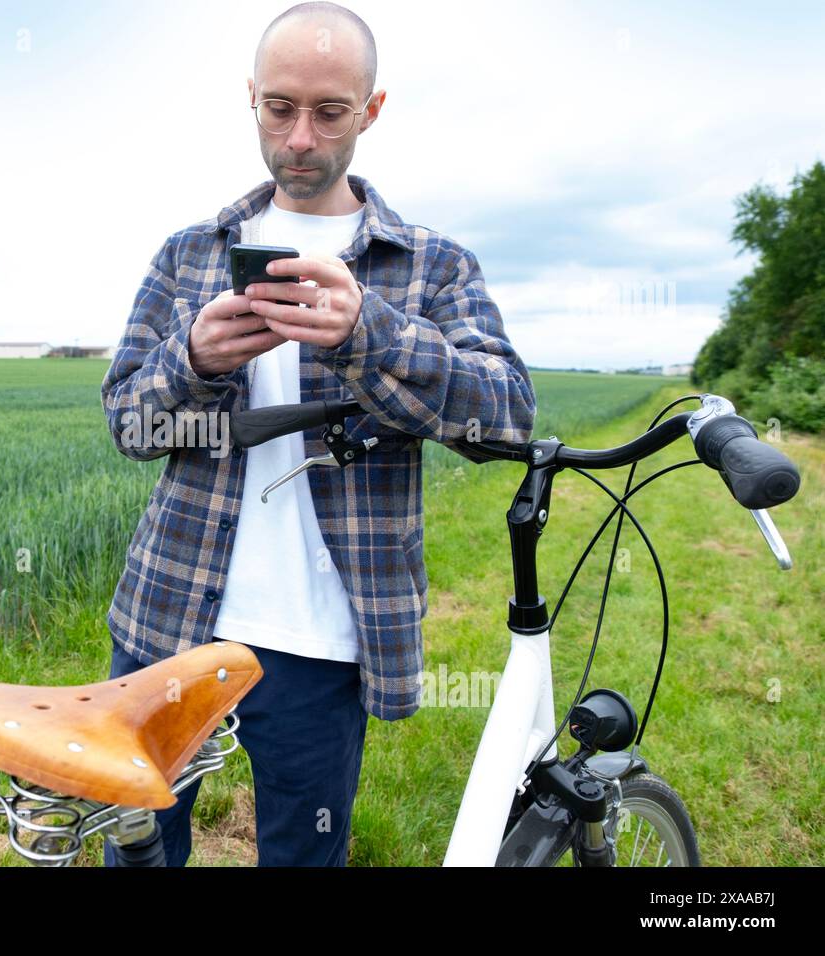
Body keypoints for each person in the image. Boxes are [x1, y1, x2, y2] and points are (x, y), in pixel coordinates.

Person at [99, 1, 537, 866]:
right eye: (280, 108)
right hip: (168, 617)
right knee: (139, 848)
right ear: (251, 99)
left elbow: (509, 411)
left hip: (322, 640)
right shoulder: (190, 252)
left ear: (371, 111)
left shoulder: (429, 265)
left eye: (331, 112)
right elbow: (128, 421)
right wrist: (192, 357)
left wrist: (366, 330)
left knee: (305, 854)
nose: (301, 137)